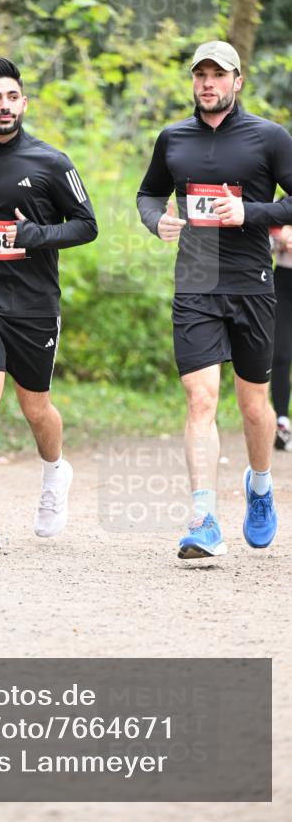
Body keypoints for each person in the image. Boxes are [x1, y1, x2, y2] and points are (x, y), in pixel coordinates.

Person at [137, 40, 292, 560]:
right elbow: (148, 193)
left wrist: (250, 213)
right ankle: (203, 518)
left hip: (251, 282)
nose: (208, 83)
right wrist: (156, 220)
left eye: (219, 75)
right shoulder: (172, 138)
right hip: (196, 280)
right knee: (200, 400)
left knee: (253, 406)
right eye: (200, 74)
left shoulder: (269, 137)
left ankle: (260, 486)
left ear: (237, 81)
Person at [0, 57, 97, 550]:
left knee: (35, 406)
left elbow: (87, 225)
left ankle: (55, 472)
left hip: (33, 304)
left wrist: (37, 235)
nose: (3, 106)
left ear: (23, 103)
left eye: (11, 97)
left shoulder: (52, 163)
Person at [271, 222, 292, 451]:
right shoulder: (279, 206)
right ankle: (282, 422)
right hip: (284, 280)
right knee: (280, 354)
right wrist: (280, 235)